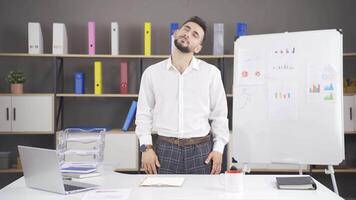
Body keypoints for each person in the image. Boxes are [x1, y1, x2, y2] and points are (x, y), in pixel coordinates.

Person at [135, 16, 229, 174]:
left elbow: (220, 115)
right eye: (186, 29)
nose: (188, 34)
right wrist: (146, 148)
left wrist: (219, 148)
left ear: (198, 48)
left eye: (195, 35)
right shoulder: (152, 73)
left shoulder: (211, 73)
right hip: (164, 150)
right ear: (176, 33)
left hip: (201, 151)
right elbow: (144, 114)